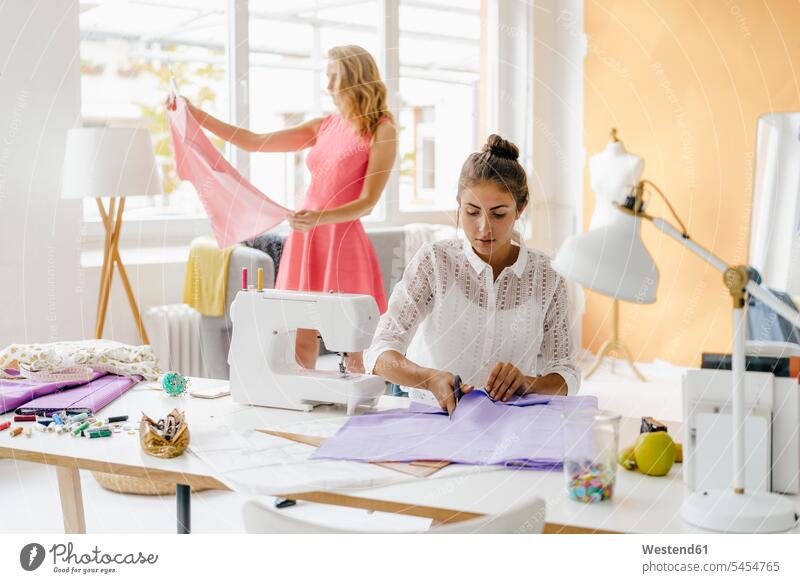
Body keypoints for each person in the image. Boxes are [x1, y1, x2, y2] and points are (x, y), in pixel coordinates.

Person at [170, 45, 397, 370]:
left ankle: (357, 413)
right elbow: (254, 141)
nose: (328, 86)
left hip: (342, 242)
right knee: (300, 333)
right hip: (306, 241)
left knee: (352, 341)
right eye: (327, 77)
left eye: (335, 78)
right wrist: (196, 115)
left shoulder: (382, 130)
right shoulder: (325, 125)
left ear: (355, 80)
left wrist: (320, 217)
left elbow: (368, 203)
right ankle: (303, 408)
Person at [363, 134, 580, 414]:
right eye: (472, 211)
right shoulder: (434, 261)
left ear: (520, 208)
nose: (483, 228)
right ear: (459, 204)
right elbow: (379, 353)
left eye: (498, 214)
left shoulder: (547, 276)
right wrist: (429, 378)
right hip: (433, 417)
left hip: (510, 421)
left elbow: (567, 374)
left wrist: (528, 383)